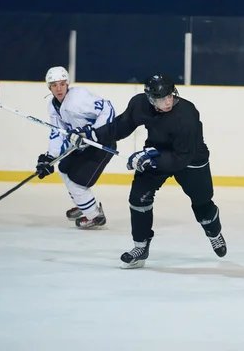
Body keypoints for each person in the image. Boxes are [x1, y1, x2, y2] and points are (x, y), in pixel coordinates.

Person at [68, 73, 226, 269]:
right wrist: (90, 134)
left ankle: (213, 232)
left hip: (190, 158)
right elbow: (120, 127)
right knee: (138, 197)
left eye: (170, 96)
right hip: (155, 152)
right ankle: (140, 247)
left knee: (202, 201)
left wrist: (150, 158)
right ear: (150, 99)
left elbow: (181, 157)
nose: (168, 101)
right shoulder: (139, 104)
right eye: (161, 99)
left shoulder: (187, 114)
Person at [35, 66, 116, 229]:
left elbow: (108, 108)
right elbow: (57, 133)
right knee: (63, 167)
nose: (58, 88)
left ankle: (94, 216)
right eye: (54, 85)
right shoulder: (53, 106)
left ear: (67, 84)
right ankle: (84, 204)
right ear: (48, 87)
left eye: (62, 84)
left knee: (76, 182)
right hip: (82, 146)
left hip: (100, 145)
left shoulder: (78, 98)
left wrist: (93, 132)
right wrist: (50, 157)